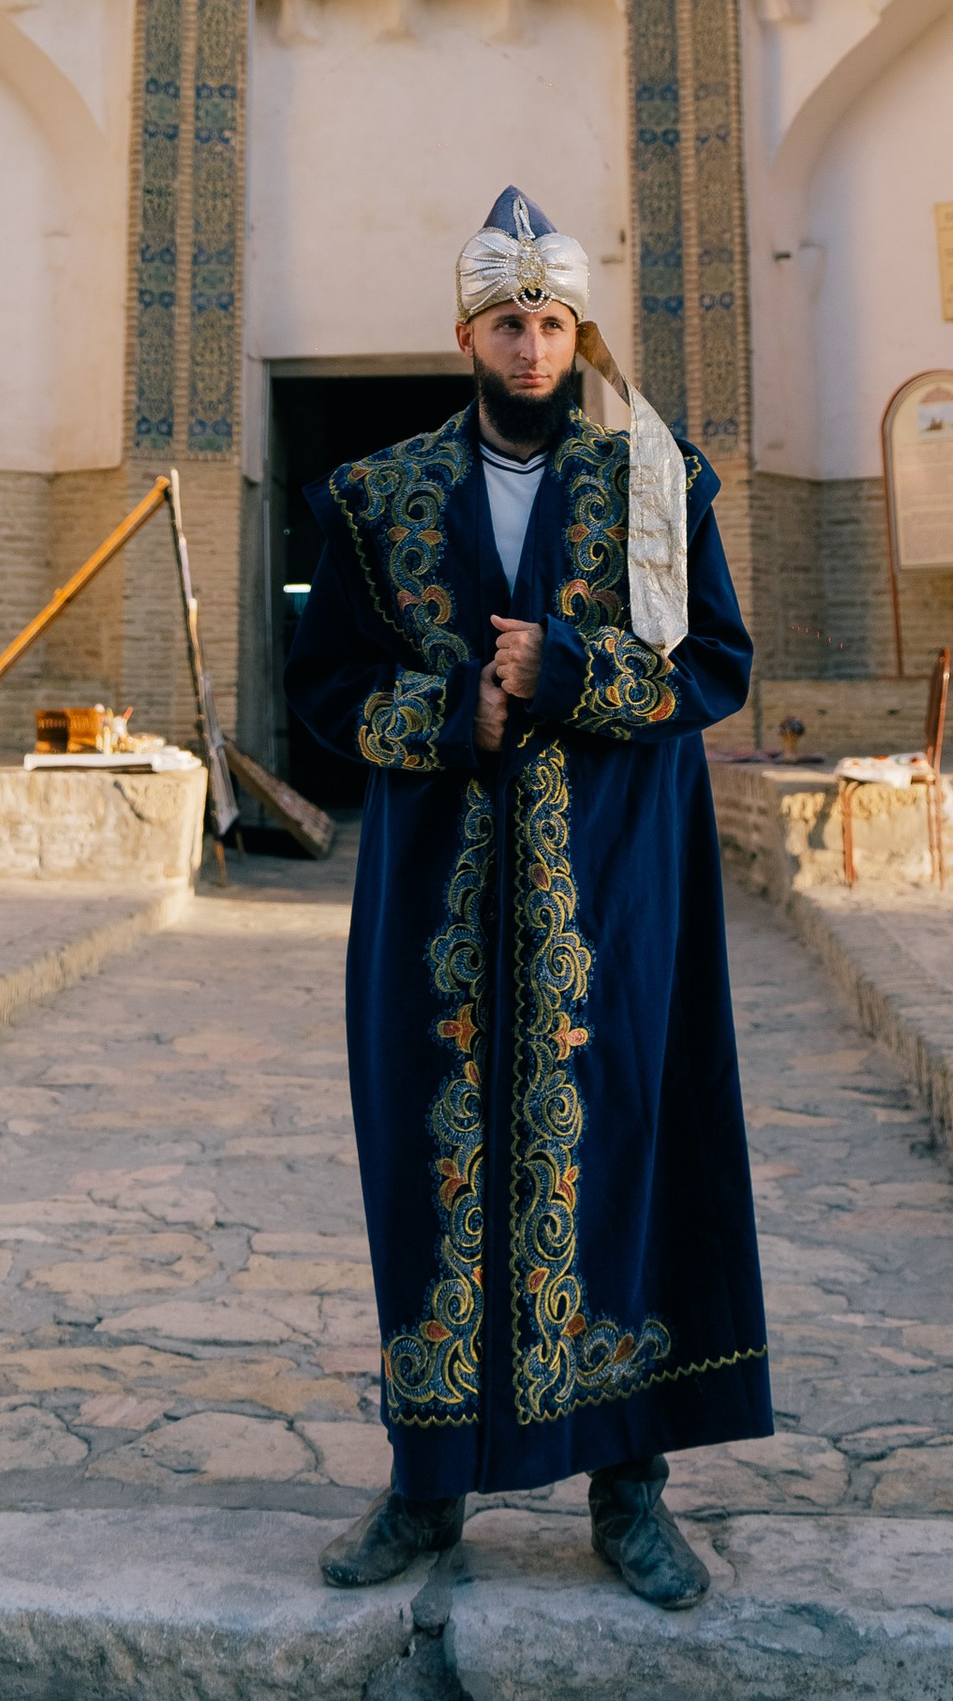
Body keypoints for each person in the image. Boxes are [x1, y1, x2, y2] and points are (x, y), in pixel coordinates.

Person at [285, 185, 770, 1609]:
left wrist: (571, 676)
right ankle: (426, 1488)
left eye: (552, 321)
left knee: (632, 1154)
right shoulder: (376, 501)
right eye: (507, 321)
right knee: (429, 1174)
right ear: (466, 332)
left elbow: (716, 666)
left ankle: (632, 1492)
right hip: (435, 908)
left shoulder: (657, 479)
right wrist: (452, 721)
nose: (532, 345)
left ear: (577, 328)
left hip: (615, 892)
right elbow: (325, 692)